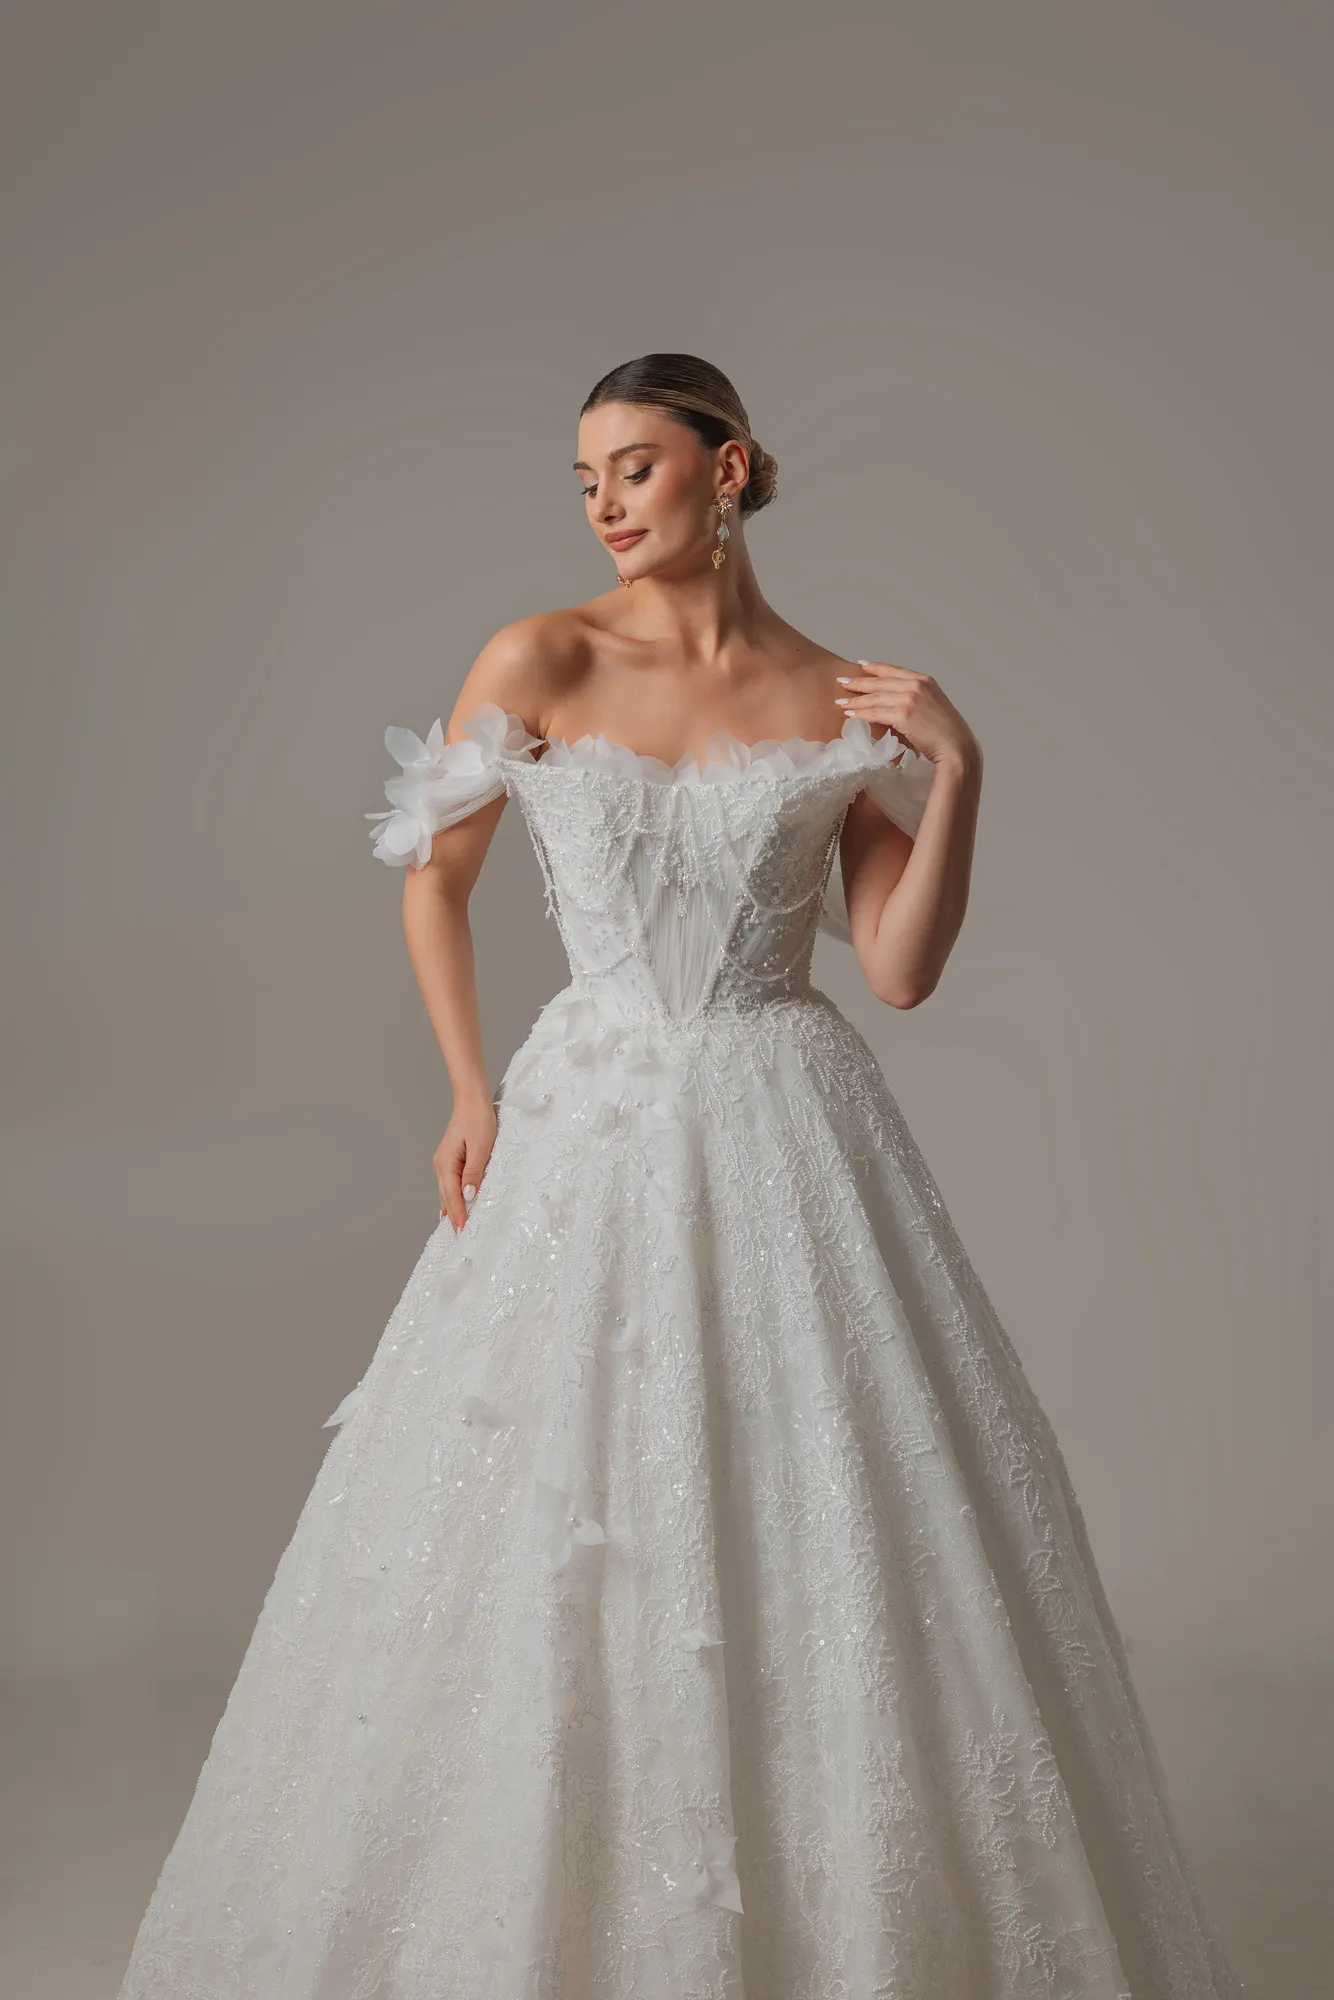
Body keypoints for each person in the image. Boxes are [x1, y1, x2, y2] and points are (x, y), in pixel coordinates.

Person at [116, 354, 1245, 1998]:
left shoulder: (836, 692)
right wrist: (464, 1089)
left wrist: (958, 773)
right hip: (584, 1116)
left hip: (788, 1122)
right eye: (585, 478)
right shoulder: (541, 655)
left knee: (815, 1503)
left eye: (634, 467)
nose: (604, 504)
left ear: (728, 469)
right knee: (545, 1498)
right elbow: (433, 881)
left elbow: (899, 969)